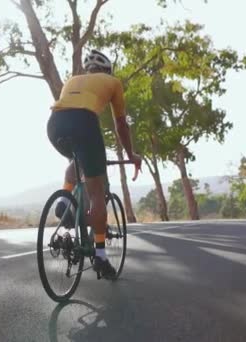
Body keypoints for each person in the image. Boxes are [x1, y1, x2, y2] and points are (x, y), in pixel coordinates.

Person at [46, 49, 142, 279]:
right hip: (84, 123)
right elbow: (121, 124)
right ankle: (100, 256)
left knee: (76, 160)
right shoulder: (113, 82)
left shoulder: (72, 80)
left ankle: (63, 201)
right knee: (97, 192)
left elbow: (68, 107)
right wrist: (131, 154)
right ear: (108, 70)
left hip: (54, 125)